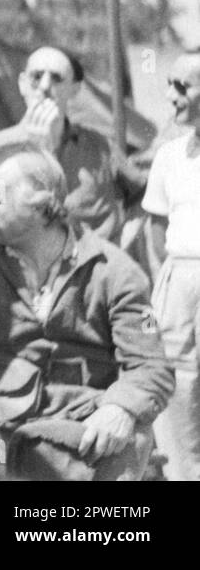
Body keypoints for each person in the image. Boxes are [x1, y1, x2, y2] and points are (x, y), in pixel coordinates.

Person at [0, 149, 172, 480]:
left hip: (83, 435)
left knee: (134, 436)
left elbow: (151, 366)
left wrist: (119, 408)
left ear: (41, 205)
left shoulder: (116, 272)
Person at [0, 46, 124, 243]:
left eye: (56, 78)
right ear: (22, 84)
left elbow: (144, 189)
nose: (45, 86)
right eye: (36, 76)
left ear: (75, 88)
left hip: (89, 264)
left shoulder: (98, 144)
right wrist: (38, 151)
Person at [142, 50, 200, 480]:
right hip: (179, 278)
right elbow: (155, 225)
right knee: (177, 382)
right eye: (170, 84)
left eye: (183, 86)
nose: (171, 95)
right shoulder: (169, 156)